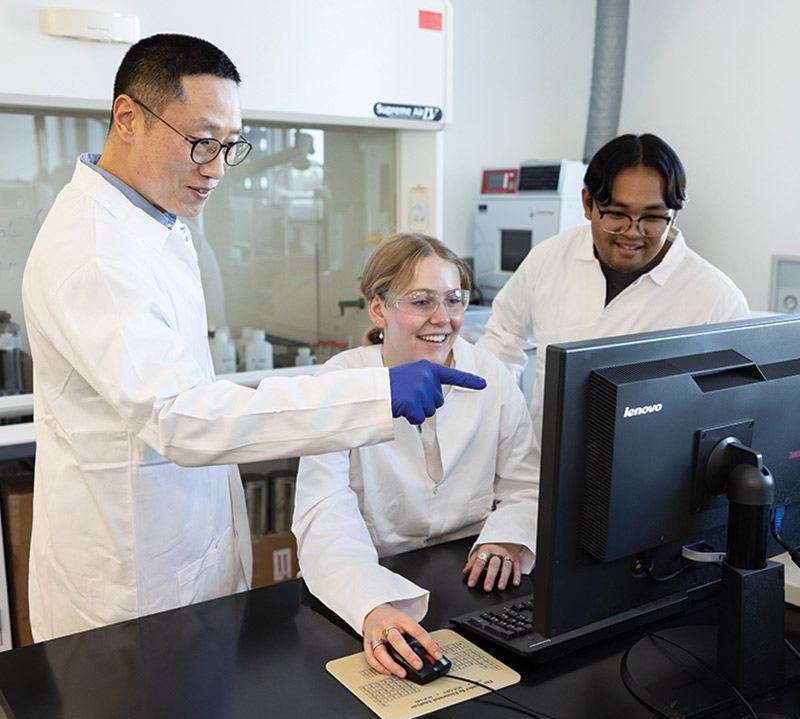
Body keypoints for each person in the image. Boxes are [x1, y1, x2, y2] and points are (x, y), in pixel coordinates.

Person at [21, 34, 485, 641]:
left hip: (180, 559)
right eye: (201, 142)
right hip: (129, 587)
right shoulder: (95, 253)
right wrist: (377, 394)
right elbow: (181, 415)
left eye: (229, 146)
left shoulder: (150, 224)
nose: (216, 168)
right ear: (128, 118)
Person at [292, 233, 538, 679]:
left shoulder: (489, 375)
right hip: (366, 582)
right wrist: (372, 608)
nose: (442, 319)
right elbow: (323, 516)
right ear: (378, 308)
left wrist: (507, 538)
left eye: (453, 300)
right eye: (421, 301)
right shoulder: (339, 381)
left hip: (473, 580)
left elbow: (526, 483)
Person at [477, 133, 750, 444]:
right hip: (545, 470)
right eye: (617, 214)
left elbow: (731, 413)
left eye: (652, 217)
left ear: (673, 215)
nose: (633, 232)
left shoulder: (716, 299)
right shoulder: (548, 259)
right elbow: (502, 341)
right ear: (587, 203)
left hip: (651, 481)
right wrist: (491, 427)